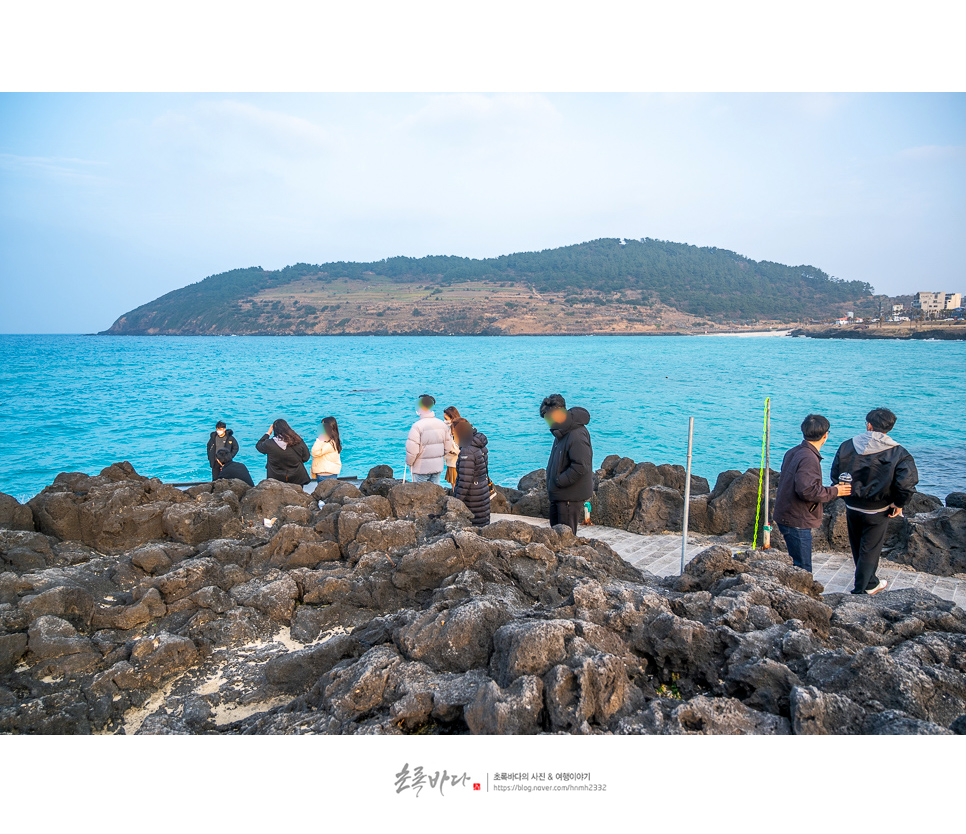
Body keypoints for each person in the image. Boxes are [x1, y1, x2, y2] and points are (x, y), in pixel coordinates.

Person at [831, 408, 919, 596]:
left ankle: (870, 581)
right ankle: (862, 588)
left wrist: (843, 493)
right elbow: (906, 483)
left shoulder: (847, 445)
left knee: (858, 546)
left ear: (869, 425)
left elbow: (835, 473)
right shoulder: (899, 453)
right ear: (890, 428)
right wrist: (899, 503)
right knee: (870, 548)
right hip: (878, 508)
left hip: (851, 504)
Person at [773, 414, 851, 572]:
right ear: (825, 435)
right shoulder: (809, 458)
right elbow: (808, 491)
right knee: (803, 568)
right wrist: (836, 490)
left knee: (799, 564)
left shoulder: (793, 452)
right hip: (797, 519)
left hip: (787, 513)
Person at [540, 393, 593, 535]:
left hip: (569, 497)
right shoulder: (561, 432)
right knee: (556, 537)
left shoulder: (576, 434)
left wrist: (559, 480)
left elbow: (581, 465)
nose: (548, 422)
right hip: (559, 495)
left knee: (565, 539)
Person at [405, 395, 455, 485]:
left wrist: (409, 462)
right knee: (435, 494)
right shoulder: (442, 424)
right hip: (437, 466)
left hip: (421, 468)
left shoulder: (417, 426)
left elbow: (412, 450)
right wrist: (438, 456)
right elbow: (448, 446)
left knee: (420, 493)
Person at [452, 418, 490, 527]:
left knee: (473, 527)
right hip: (482, 491)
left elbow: (464, 481)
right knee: (482, 525)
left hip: (472, 497)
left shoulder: (467, 450)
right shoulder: (479, 444)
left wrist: (455, 503)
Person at [255, 419, 311, 485]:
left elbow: (258, 446)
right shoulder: (298, 441)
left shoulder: (269, 443)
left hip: (276, 478)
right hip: (297, 476)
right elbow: (306, 457)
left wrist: (268, 433)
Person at [311, 416, 343, 482]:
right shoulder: (333, 441)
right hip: (328, 473)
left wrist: (319, 438)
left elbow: (314, 452)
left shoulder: (330, 443)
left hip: (325, 474)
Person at [443, 406, 462, 488]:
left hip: (454, 462)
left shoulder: (456, 429)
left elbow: (458, 448)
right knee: (455, 484)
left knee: (455, 484)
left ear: (452, 418)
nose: (445, 421)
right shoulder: (450, 429)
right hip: (452, 461)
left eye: (446, 418)